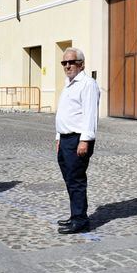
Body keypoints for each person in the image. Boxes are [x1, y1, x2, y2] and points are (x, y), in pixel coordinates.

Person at [55, 47, 100, 234]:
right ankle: (75, 215)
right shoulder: (68, 83)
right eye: (64, 63)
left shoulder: (87, 84)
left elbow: (90, 114)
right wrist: (58, 137)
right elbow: (65, 112)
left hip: (78, 139)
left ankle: (80, 220)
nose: (67, 66)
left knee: (76, 180)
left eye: (71, 62)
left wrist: (85, 140)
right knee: (70, 180)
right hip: (65, 139)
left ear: (81, 64)